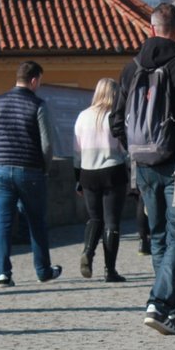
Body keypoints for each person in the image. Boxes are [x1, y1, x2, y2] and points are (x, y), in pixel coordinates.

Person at [110, 3, 175, 335]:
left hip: (144, 164)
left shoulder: (130, 67)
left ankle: (172, 312)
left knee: (161, 235)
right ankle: (158, 300)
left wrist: (135, 151)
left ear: (151, 29)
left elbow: (116, 120)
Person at [0, 61, 62, 288]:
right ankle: (43, 270)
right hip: (30, 171)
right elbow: (46, 144)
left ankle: (3, 273)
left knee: (3, 222)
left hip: (0, 170)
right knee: (36, 222)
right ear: (34, 80)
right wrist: (44, 168)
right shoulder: (37, 105)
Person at [73, 77, 128, 283]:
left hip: (88, 172)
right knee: (112, 222)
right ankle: (110, 269)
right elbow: (124, 148)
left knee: (95, 218)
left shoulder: (82, 117)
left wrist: (77, 179)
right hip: (112, 171)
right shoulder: (114, 117)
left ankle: (88, 250)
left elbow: (76, 151)